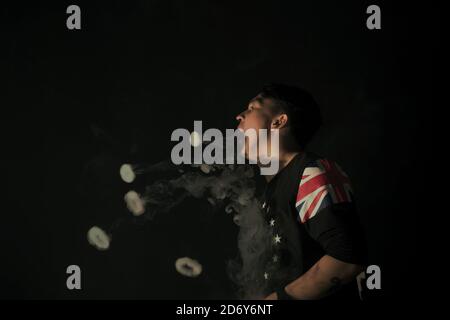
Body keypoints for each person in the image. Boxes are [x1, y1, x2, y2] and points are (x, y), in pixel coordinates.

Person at [235, 83, 367, 300]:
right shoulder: (270, 191)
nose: (239, 116)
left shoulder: (312, 172)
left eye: (252, 107)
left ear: (279, 120)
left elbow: (347, 260)